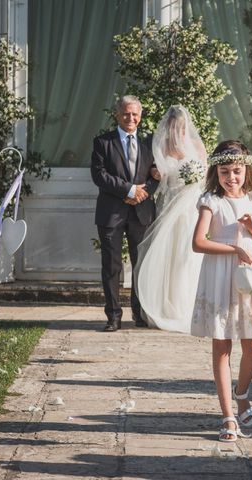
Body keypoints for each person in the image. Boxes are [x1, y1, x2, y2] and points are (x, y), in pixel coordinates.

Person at [191, 140, 252, 442]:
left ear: (247, 171)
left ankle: (242, 393)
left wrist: (251, 229)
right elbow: (199, 242)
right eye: (224, 172)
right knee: (222, 347)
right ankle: (228, 416)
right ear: (215, 173)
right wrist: (234, 248)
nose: (231, 178)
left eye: (237, 171)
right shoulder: (211, 201)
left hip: (249, 280)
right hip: (221, 275)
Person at [134, 105, 207, 332]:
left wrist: (195, 178)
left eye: (182, 126)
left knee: (187, 256)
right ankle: (165, 308)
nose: (178, 130)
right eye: (174, 125)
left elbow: (205, 174)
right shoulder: (161, 145)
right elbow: (153, 174)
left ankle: (188, 307)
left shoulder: (196, 145)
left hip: (189, 208)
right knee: (167, 256)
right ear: (168, 125)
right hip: (168, 205)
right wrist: (156, 174)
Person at [90, 95, 159, 332]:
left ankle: (139, 314)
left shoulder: (151, 143)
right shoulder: (102, 142)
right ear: (117, 115)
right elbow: (99, 175)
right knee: (112, 266)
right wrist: (128, 190)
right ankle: (113, 316)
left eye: (135, 114)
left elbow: (157, 175)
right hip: (112, 213)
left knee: (141, 265)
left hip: (141, 212)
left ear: (140, 115)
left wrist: (142, 192)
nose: (131, 118)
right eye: (126, 113)